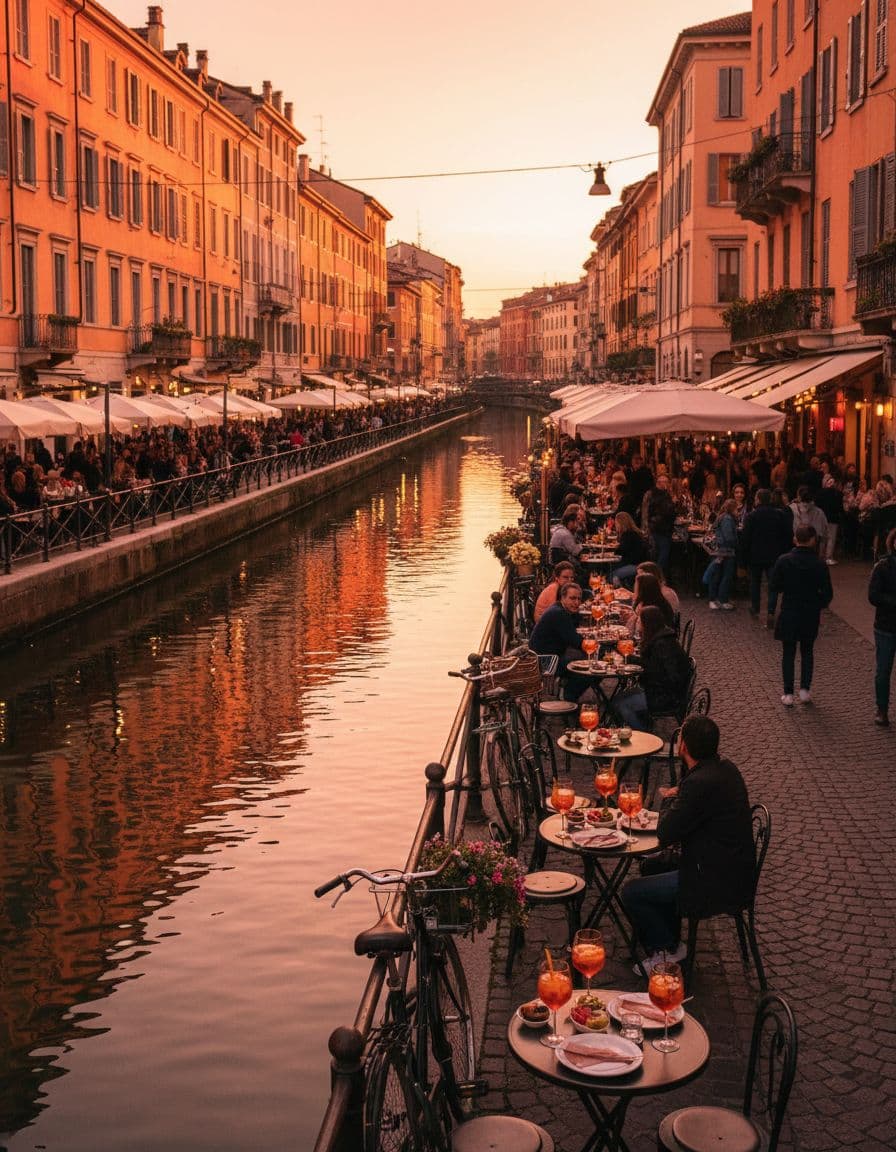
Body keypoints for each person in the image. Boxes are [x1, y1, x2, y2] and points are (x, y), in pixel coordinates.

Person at [621, 714, 754, 974]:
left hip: (712, 881)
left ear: (684, 746)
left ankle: (666, 950)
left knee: (631, 892)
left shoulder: (698, 783)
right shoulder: (724, 768)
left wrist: (673, 798)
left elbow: (666, 831)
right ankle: (669, 941)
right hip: (730, 869)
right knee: (652, 867)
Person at [769, 524, 834, 706]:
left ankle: (788, 693)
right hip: (809, 613)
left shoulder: (784, 560)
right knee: (807, 651)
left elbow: (774, 586)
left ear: (795, 539)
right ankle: (805, 689)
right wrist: (818, 604)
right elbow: (828, 593)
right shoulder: (820, 564)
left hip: (790, 611)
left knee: (788, 653)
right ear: (813, 540)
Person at [614, 606, 692, 731]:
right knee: (619, 697)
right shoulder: (661, 637)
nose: (637, 623)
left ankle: (643, 734)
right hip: (659, 690)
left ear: (648, 624)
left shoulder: (662, 644)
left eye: (640, 621)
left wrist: (635, 663)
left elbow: (666, 674)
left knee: (621, 703)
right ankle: (642, 725)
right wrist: (629, 658)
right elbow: (651, 665)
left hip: (666, 696)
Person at [740, 488, 793, 627]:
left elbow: (746, 539)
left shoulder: (751, 516)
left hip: (755, 555)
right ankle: (770, 612)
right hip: (774, 555)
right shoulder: (779, 515)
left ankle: (755, 608)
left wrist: (743, 560)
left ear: (758, 499)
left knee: (755, 583)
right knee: (773, 585)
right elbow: (787, 535)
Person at [529, 582, 590, 701]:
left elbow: (572, 634)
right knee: (589, 667)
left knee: (584, 658)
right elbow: (576, 641)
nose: (577, 602)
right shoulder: (559, 614)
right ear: (562, 597)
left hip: (549, 656)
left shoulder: (559, 608)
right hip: (545, 662)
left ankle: (566, 688)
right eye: (572, 598)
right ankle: (568, 696)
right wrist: (594, 644)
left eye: (579, 599)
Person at [868, 526, 896, 727]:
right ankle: (882, 709)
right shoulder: (883, 567)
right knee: (883, 670)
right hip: (886, 626)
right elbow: (873, 596)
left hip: (886, 624)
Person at [706, 499, 738, 610]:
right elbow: (728, 537)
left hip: (719, 551)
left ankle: (714, 599)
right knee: (726, 575)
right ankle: (721, 599)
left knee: (716, 574)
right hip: (726, 551)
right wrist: (736, 543)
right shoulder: (728, 519)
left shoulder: (722, 517)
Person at [641, 473, 676, 572]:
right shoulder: (652, 494)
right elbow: (645, 513)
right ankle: (657, 577)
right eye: (664, 482)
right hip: (657, 529)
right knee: (660, 556)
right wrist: (645, 530)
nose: (666, 484)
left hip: (664, 529)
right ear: (659, 482)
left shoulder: (667, 494)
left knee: (662, 556)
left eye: (667, 482)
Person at [610, 511, 648, 589]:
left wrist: (615, 550)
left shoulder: (627, 535)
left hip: (635, 565)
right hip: (640, 563)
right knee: (612, 568)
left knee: (611, 575)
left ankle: (621, 591)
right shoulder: (635, 533)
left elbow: (620, 551)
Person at [789, 485, 828, 556]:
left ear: (799, 496)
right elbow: (824, 532)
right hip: (813, 546)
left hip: (796, 545)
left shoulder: (791, 509)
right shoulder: (819, 512)